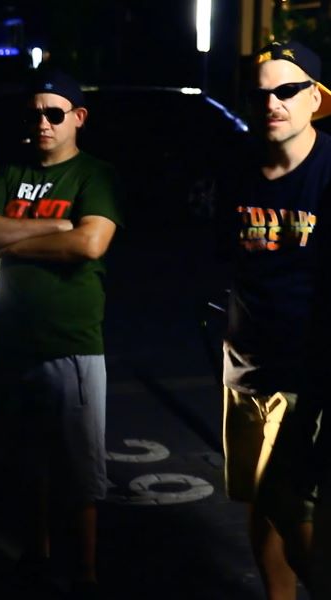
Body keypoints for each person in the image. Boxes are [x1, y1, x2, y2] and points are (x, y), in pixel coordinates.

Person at [0, 68, 122, 597]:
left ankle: (85, 573)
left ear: (78, 118)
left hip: (71, 341)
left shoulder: (95, 175)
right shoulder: (11, 170)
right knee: (26, 459)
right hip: (12, 340)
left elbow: (90, 244)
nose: (42, 123)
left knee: (79, 469)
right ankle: (37, 555)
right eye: (35, 113)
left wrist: (12, 242)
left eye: (54, 113)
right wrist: (57, 227)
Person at [217, 40, 331, 600]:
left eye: (287, 90)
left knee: (288, 504)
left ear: (316, 98)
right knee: (260, 505)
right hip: (244, 367)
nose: (272, 103)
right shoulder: (237, 167)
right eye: (260, 94)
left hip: (308, 376)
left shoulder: (329, 170)